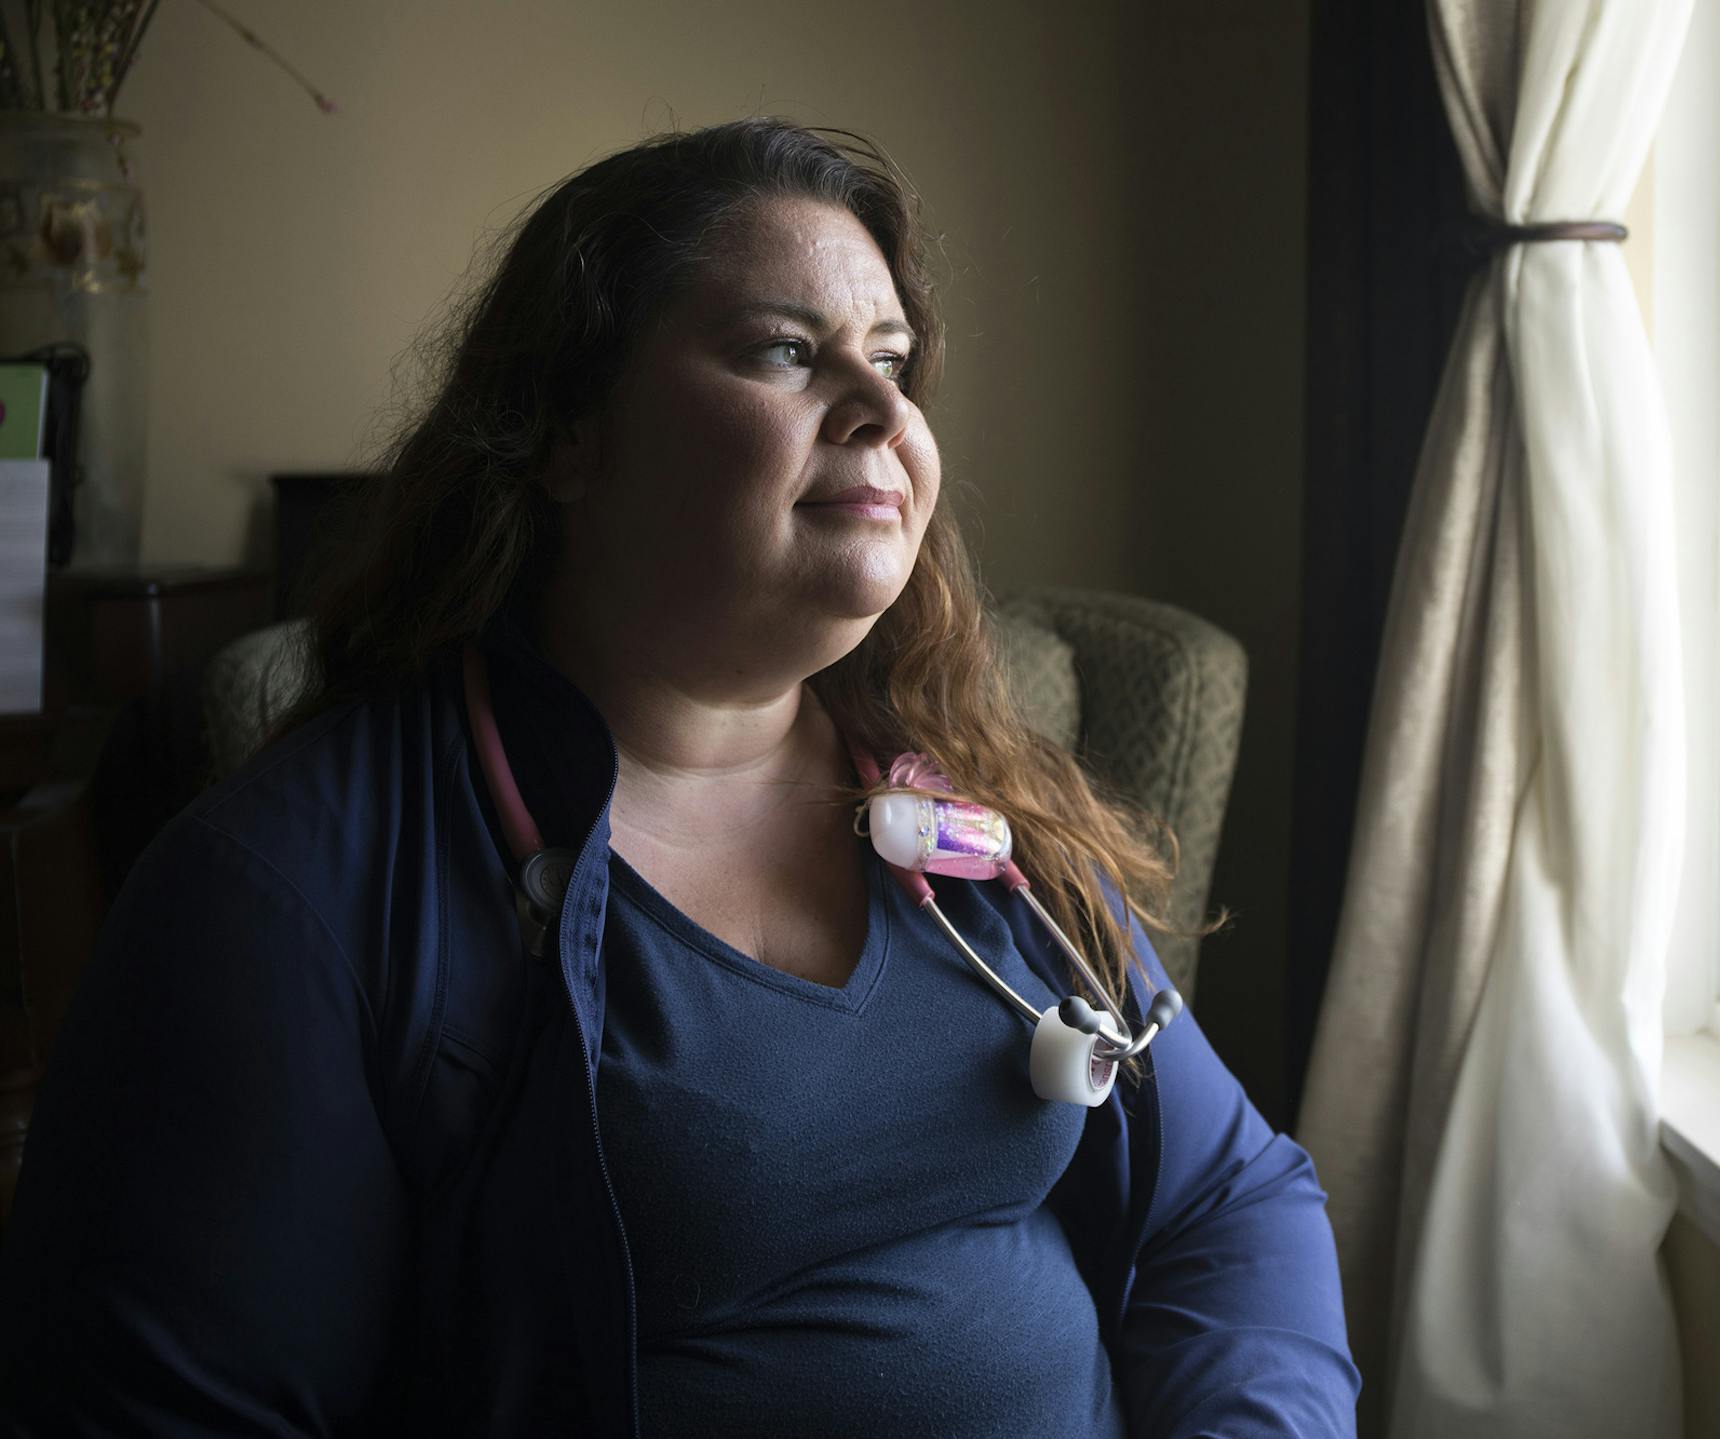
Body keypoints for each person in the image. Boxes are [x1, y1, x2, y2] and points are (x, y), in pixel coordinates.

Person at [0, 120, 1358, 1437]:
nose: (885, 405)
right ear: (566, 436)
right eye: (784, 351)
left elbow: (1229, 1203)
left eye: (894, 359)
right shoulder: (283, 898)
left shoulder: (973, 820)